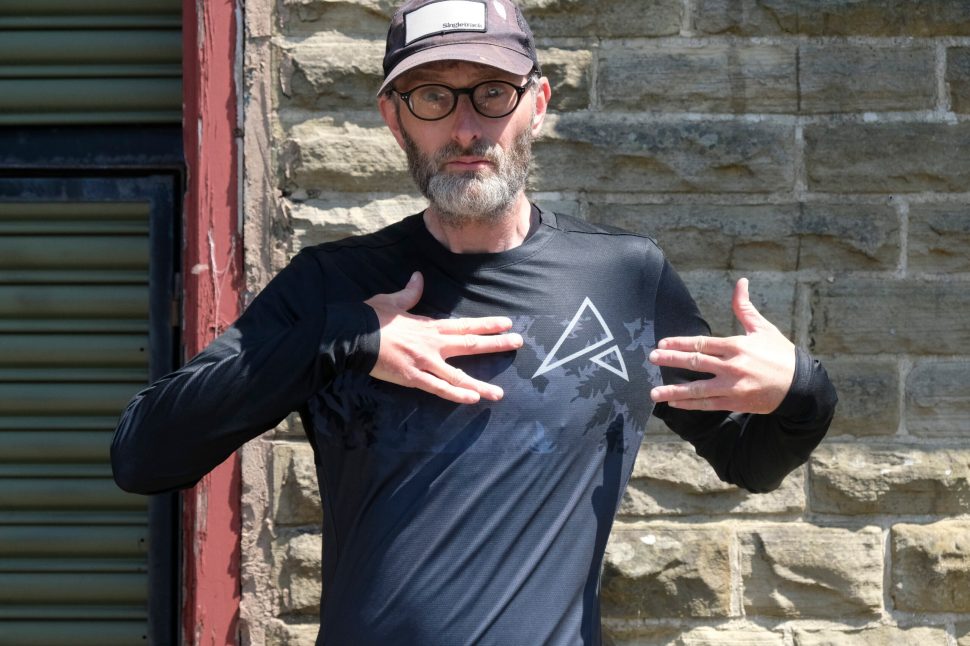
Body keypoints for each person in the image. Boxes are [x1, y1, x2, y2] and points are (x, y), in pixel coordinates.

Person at [112, 0, 837, 643]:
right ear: (394, 118)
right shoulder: (336, 286)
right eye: (433, 96)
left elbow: (748, 460)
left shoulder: (625, 279)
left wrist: (801, 390)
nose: (465, 128)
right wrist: (342, 340)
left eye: (492, 93)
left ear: (537, 104)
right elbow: (144, 453)